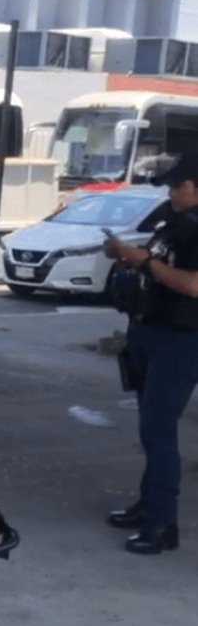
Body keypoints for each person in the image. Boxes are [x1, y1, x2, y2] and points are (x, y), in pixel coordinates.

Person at [105, 149, 198, 555]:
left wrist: (142, 262)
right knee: (150, 425)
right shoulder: (173, 221)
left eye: (180, 186)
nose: (173, 193)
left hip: (183, 338)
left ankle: (163, 524)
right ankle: (149, 505)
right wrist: (126, 257)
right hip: (152, 330)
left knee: (158, 429)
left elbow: (193, 285)